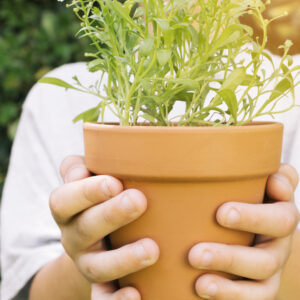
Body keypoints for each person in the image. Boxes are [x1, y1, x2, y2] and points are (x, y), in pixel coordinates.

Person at [1, 53, 300, 300]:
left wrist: (279, 262)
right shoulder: (58, 95)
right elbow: (23, 288)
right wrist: (88, 262)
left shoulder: (293, 84)